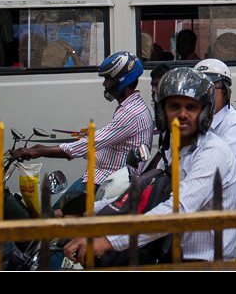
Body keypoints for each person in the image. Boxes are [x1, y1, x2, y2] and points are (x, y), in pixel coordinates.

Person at [62, 67, 236, 265]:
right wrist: (87, 212)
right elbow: (144, 195)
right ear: (162, 111)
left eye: (191, 107)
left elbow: (178, 209)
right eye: (174, 107)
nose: (183, 114)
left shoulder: (212, 152)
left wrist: (108, 241)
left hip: (205, 264)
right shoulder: (175, 149)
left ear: (203, 113)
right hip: (170, 255)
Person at [13, 51, 154, 209]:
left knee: (55, 216)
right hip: (99, 178)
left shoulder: (131, 113)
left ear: (121, 80)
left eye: (107, 79)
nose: (104, 84)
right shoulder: (131, 108)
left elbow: (90, 144)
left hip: (104, 184)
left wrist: (39, 151)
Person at [196, 58, 236, 206]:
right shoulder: (199, 121)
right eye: (198, 89)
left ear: (225, 94)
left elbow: (211, 171)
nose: (203, 95)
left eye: (210, 89)